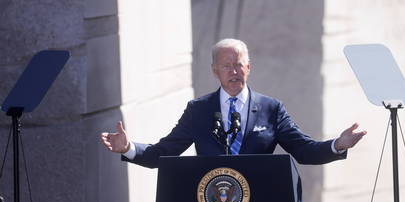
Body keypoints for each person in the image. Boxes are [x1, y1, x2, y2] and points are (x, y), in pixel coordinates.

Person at [100, 38, 366, 167]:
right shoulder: (199, 110)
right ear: (215, 71)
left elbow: (304, 151)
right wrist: (129, 147)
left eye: (238, 65)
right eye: (226, 66)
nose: (233, 71)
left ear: (249, 68)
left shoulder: (271, 109)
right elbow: (164, 153)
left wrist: (338, 144)